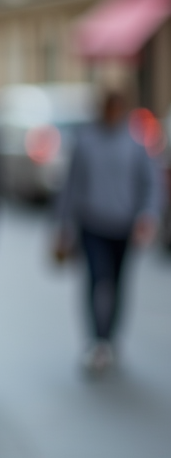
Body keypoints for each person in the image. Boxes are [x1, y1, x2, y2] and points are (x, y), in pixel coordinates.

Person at [55, 89, 163, 376]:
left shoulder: (135, 143)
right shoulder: (86, 141)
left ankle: (110, 338)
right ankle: (96, 339)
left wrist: (148, 216)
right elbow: (72, 185)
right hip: (92, 224)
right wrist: (62, 224)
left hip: (123, 226)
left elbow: (150, 183)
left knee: (117, 283)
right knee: (95, 279)